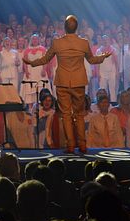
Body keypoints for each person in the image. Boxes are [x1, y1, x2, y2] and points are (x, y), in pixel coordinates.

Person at [23, 15, 110, 154]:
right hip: (78, 82)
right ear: (77, 28)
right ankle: (82, 145)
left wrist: (31, 63)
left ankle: (70, 145)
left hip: (63, 82)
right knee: (79, 114)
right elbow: (93, 60)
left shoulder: (58, 43)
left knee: (66, 115)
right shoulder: (83, 42)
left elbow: (45, 59)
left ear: (64, 28)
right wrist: (103, 57)